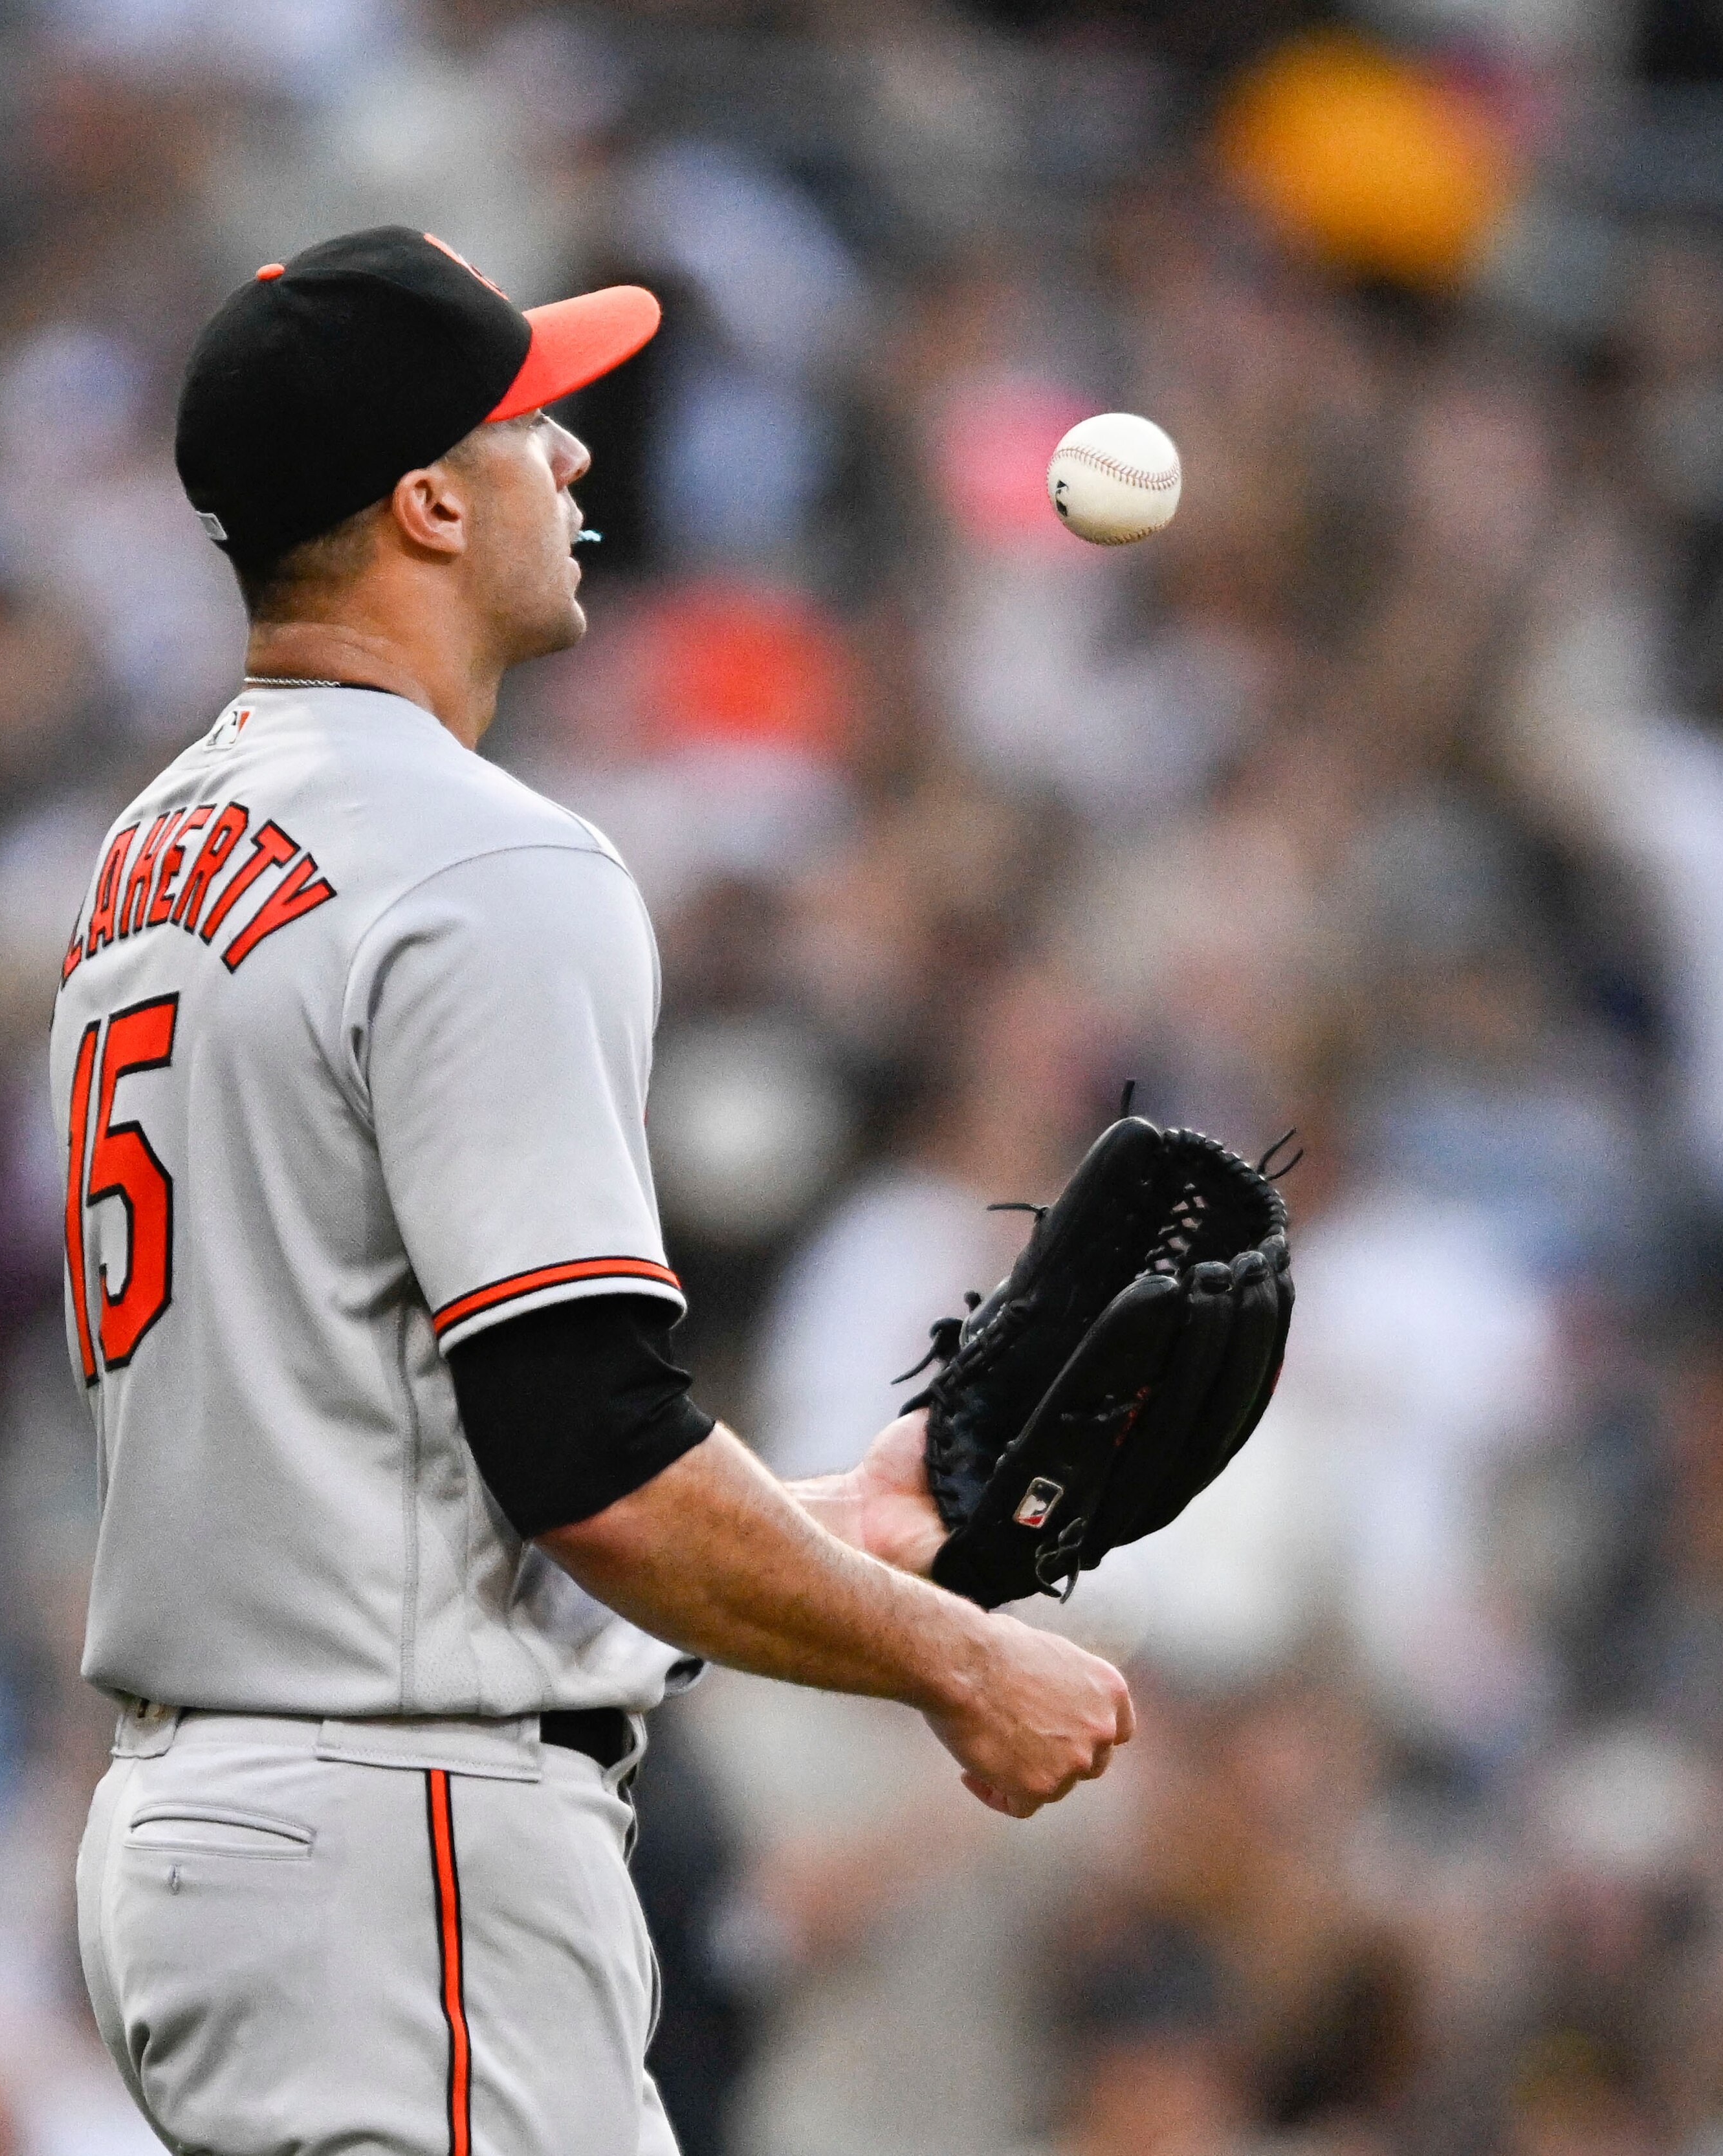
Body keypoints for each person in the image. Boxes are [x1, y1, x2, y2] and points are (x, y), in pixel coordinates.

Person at [54, 226, 1135, 2154]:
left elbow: (401, 1465)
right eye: (529, 419)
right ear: (422, 506)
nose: (573, 458)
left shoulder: (146, 860)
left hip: (218, 1834)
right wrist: (962, 1668)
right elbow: (592, 1459)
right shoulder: (483, 861)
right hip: (405, 1853)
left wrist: (824, 1527)